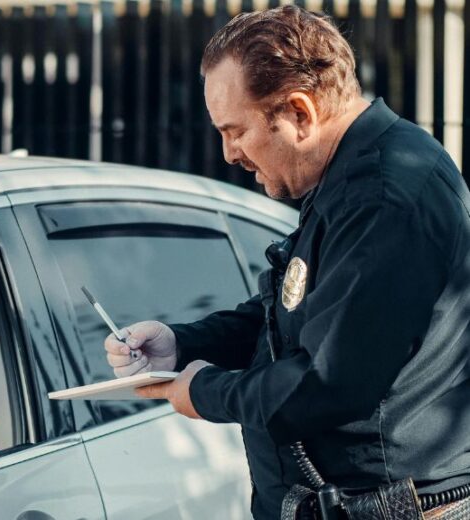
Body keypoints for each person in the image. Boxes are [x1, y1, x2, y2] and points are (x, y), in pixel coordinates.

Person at [104, 5, 470, 519]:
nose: (229, 153)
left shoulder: (385, 196)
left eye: (235, 131)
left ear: (300, 112)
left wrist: (204, 391)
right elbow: (295, 311)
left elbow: (326, 381)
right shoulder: (353, 177)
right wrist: (185, 342)